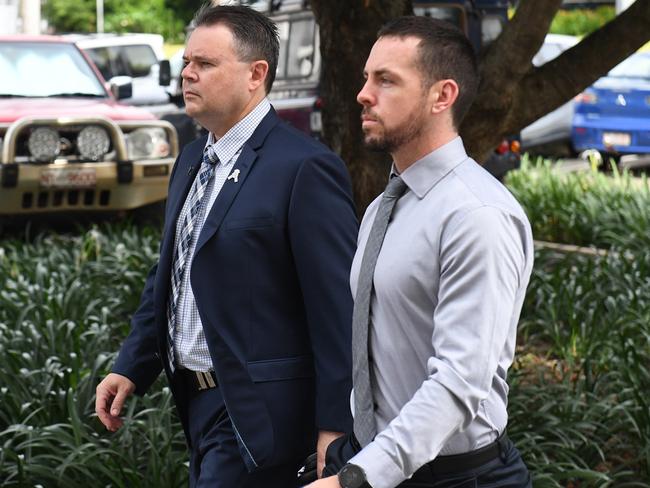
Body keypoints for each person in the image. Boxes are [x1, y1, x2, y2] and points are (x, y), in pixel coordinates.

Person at [94, 5, 358, 487]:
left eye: (206, 64)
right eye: (187, 63)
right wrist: (132, 366)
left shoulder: (304, 168)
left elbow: (337, 310)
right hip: (196, 405)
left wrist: (335, 429)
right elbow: (173, 271)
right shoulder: (193, 158)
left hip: (261, 416)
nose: (187, 75)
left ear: (257, 74)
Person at [309, 15, 534, 488]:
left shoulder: (477, 215)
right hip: (366, 459)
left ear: (442, 96)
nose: (363, 94)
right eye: (366, 78)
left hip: (452, 477)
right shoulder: (382, 208)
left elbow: (458, 383)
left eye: (386, 80)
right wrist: (344, 446)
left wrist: (356, 478)